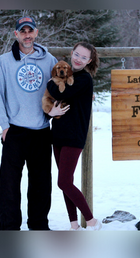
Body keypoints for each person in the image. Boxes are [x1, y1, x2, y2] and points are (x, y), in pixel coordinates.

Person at [0, 16, 58, 230]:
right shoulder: (4, 62)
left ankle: (39, 225)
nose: (27, 35)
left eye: (30, 31)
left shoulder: (50, 61)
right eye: (23, 31)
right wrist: (4, 125)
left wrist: (59, 109)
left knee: (41, 184)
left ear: (36, 33)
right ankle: (9, 227)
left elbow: (61, 88)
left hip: (41, 131)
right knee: (9, 184)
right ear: (16, 34)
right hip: (15, 131)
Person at [47, 42, 101, 231]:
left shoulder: (84, 78)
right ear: (72, 53)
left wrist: (50, 80)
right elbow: (54, 100)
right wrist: (51, 113)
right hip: (58, 134)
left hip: (74, 137)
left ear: (89, 60)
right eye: (76, 54)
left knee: (63, 181)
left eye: (83, 57)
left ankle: (92, 221)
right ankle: (73, 225)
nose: (78, 59)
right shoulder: (68, 74)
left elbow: (58, 91)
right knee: (65, 183)